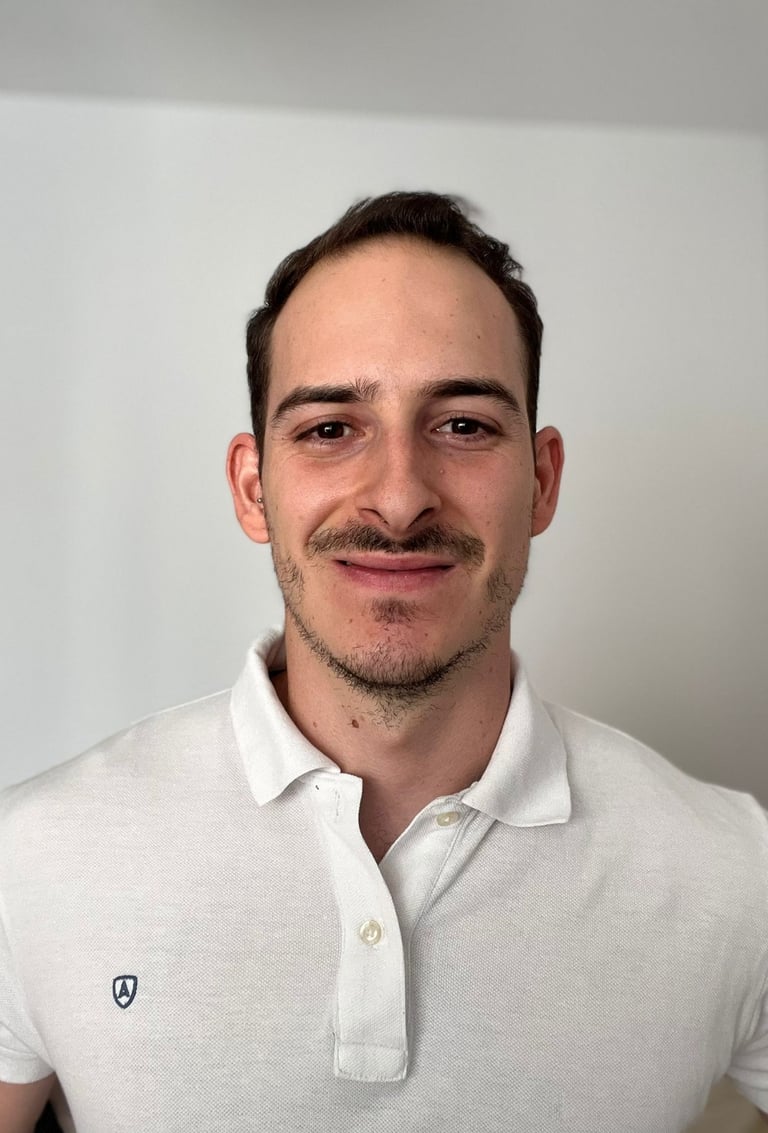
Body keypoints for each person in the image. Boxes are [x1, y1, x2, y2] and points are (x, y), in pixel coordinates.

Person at [1, 192, 767, 1133]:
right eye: (331, 428)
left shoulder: (735, 874)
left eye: (463, 425)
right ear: (254, 487)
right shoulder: (31, 858)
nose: (400, 498)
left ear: (541, 481)